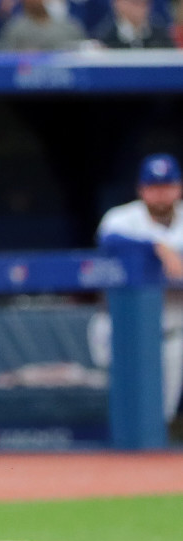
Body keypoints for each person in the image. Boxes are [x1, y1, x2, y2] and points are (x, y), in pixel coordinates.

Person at [93, 154, 183, 427]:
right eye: (153, 187)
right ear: (141, 189)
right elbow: (109, 239)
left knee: (161, 416)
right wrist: (156, 247)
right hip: (121, 332)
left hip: (172, 332)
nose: (160, 193)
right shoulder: (122, 217)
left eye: (166, 186)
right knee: (126, 412)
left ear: (178, 187)